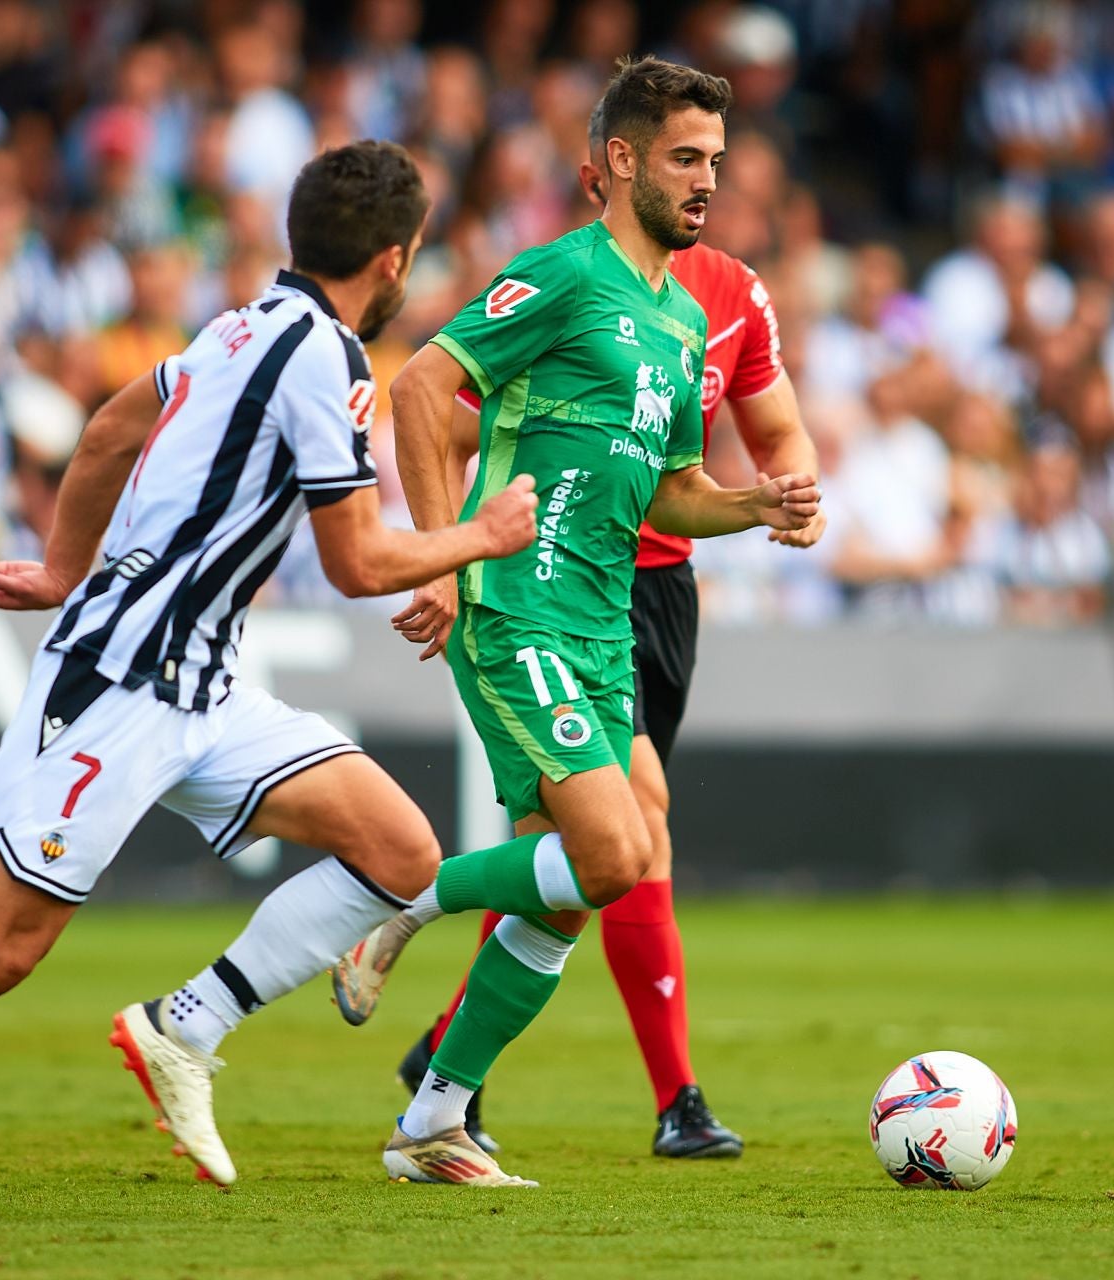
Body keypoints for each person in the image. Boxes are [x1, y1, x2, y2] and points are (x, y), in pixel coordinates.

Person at [0, 140, 540, 1221]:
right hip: (121, 681)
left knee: (400, 849)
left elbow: (106, 432)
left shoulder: (235, 327)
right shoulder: (324, 355)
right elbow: (357, 560)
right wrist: (480, 534)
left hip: (204, 682)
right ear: (395, 257)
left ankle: (188, 1023)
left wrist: (57, 567)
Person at [327, 56, 820, 1187]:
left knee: (595, 871)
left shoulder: (685, 317)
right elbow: (416, 390)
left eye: (715, 161)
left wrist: (757, 502)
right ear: (618, 160)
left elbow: (671, 492)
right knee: (613, 849)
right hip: (521, 606)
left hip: (605, 621)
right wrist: (443, 558)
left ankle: (434, 1120)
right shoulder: (559, 275)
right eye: (685, 158)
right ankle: (409, 904)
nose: (707, 180)